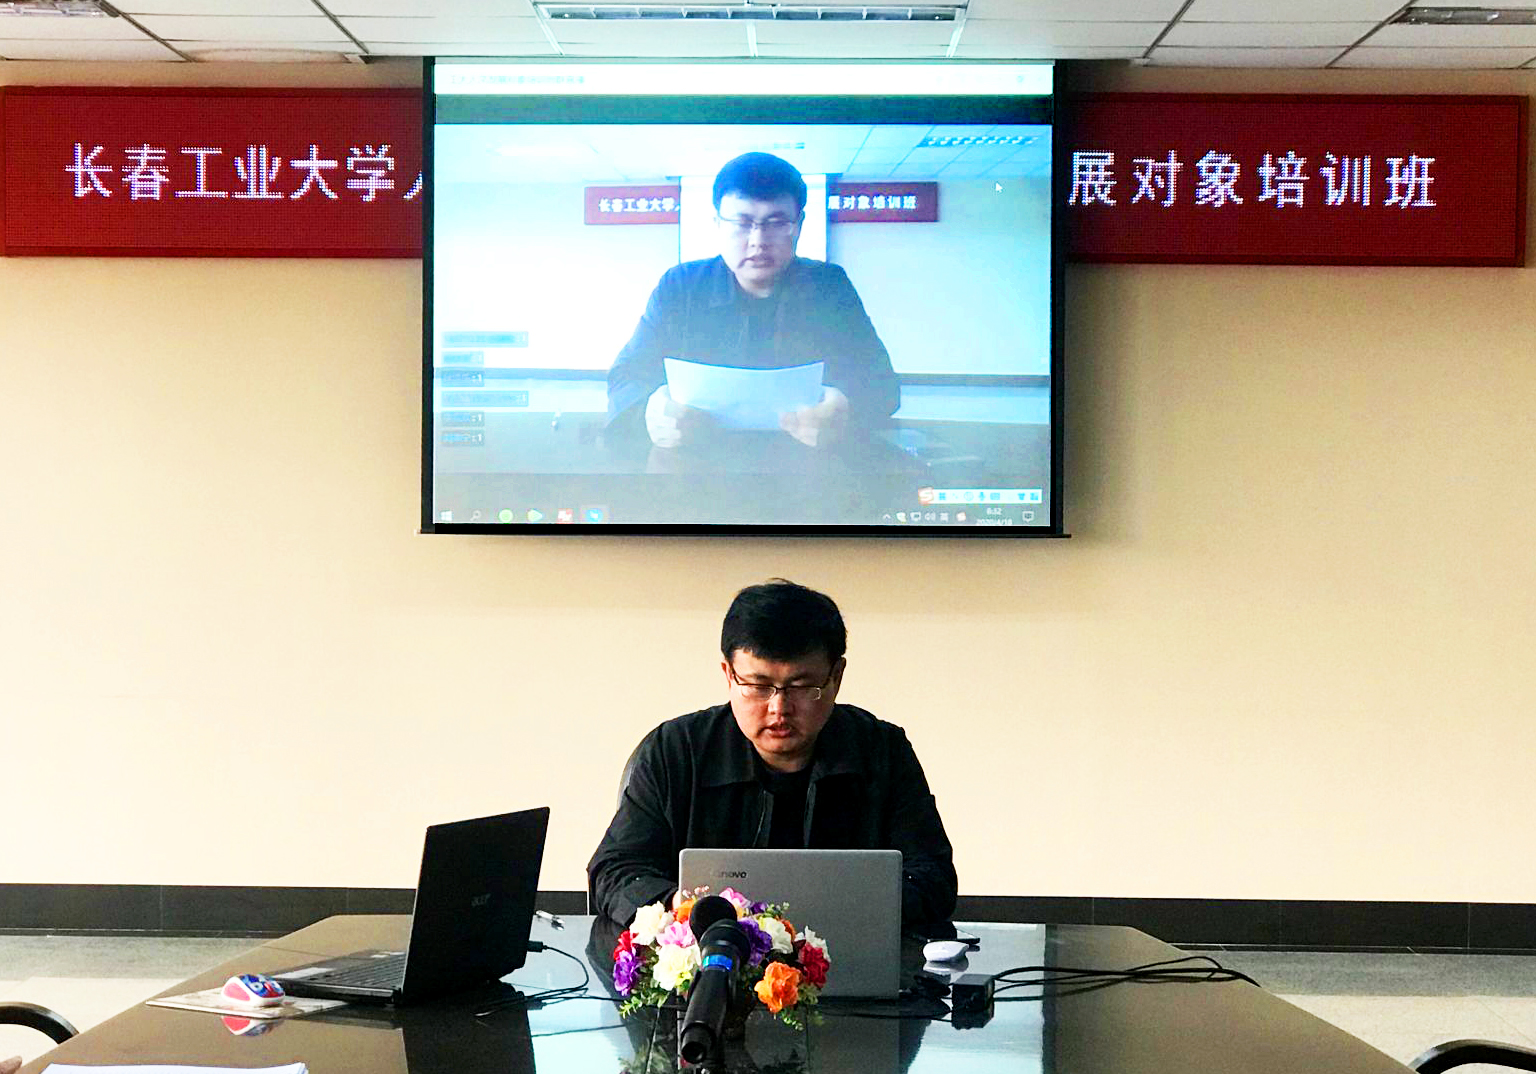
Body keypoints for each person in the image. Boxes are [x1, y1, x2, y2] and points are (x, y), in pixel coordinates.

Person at [587, 579, 957, 929]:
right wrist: (687, 912)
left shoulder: (882, 751)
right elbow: (615, 870)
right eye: (758, 685)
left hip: (848, 958)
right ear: (728, 674)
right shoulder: (676, 751)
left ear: (836, 676)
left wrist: (851, 911)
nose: (779, 708)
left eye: (801, 686)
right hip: (708, 960)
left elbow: (934, 877)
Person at [606, 152, 900, 450]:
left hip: (806, 465)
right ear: (717, 224)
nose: (758, 241)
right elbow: (626, 376)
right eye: (742, 223)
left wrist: (847, 408)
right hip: (698, 464)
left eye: (777, 222)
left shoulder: (830, 287)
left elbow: (883, 385)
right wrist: (649, 412)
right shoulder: (681, 287)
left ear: (799, 225)